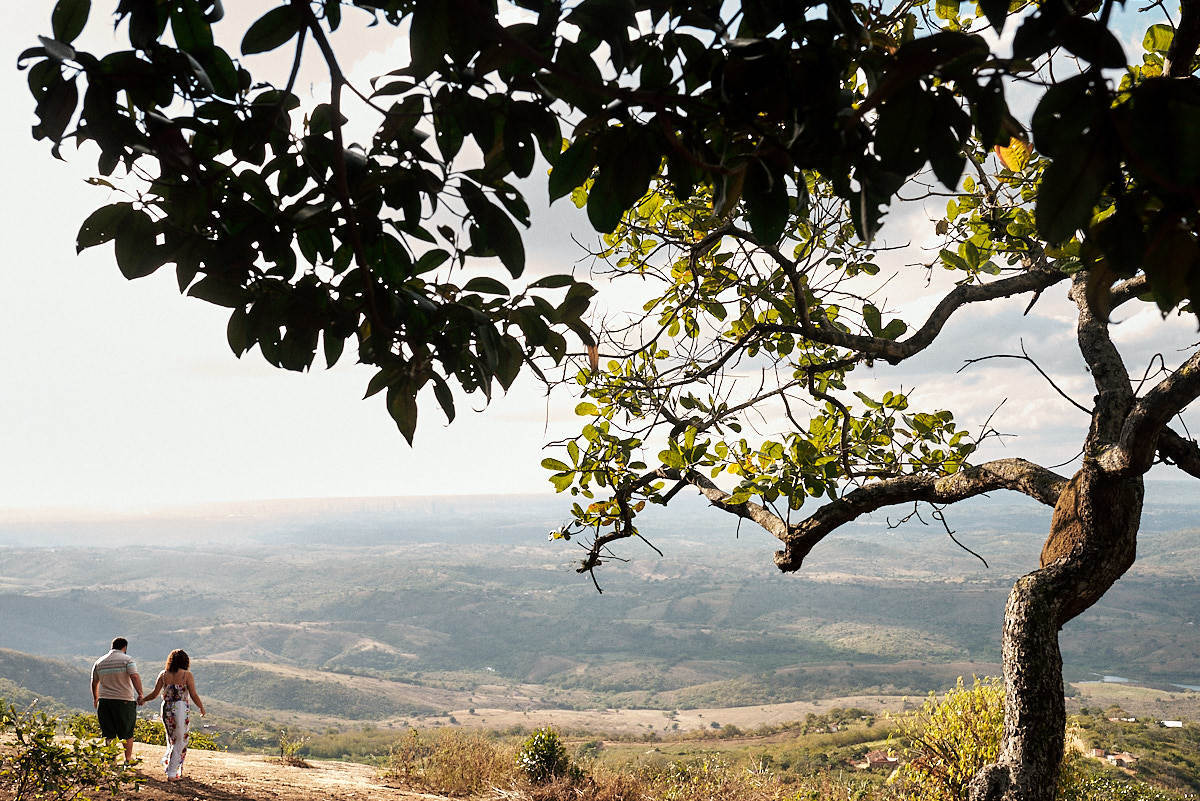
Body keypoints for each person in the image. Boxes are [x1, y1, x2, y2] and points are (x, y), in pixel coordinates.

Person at [141, 649, 206, 782]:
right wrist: (201, 707)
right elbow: (193, 694)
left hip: (166, 707)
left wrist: (143, 699)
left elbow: (154, 694)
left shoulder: (163, 674)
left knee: (171, 738)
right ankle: (172, 772)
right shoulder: (187, 675)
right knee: (180, 740)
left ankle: (172, 767)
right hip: (180, 708)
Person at [90, 636, 143, 763]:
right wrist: (140, 693)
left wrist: (96, 698)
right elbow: (134, 676)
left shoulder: (99, 661)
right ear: (125, 647)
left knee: (108, 732)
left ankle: (111, 759)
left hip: (104, 701)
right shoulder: (127, 659)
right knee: (127, 731)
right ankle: (128, 759)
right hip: (124, 700)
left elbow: (94, 682)